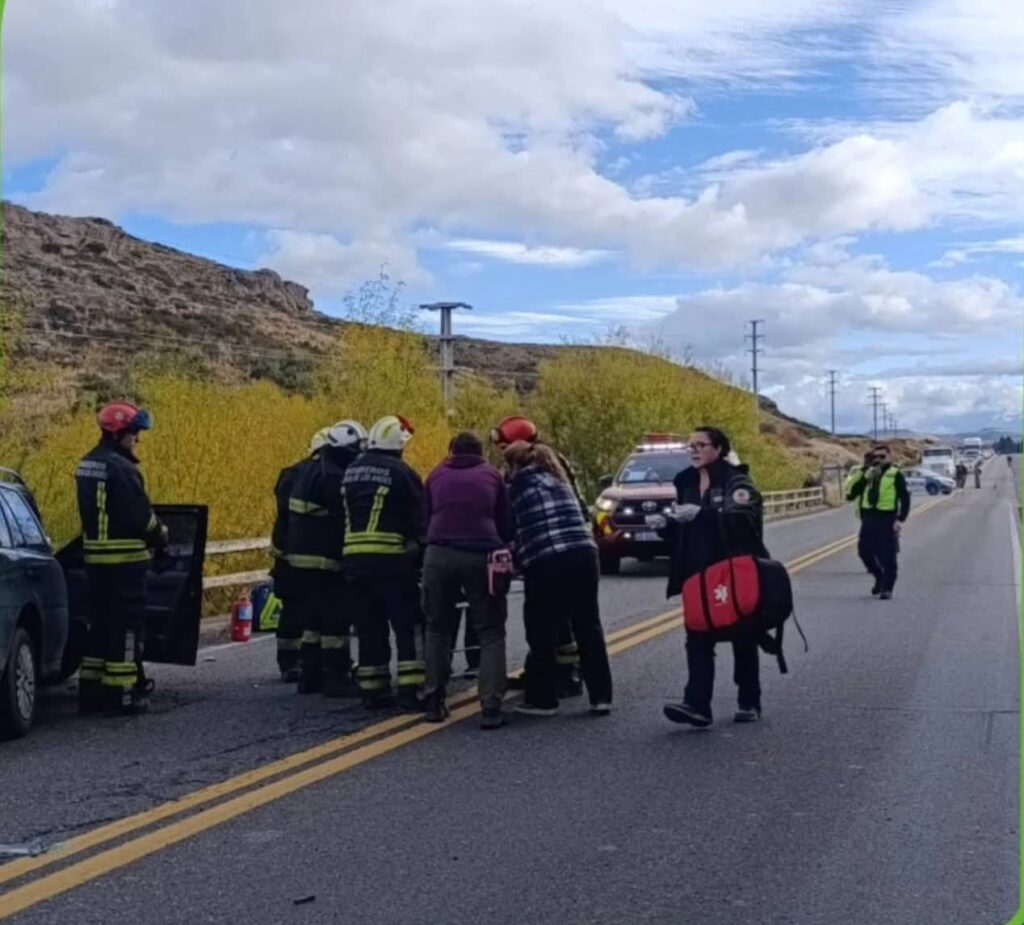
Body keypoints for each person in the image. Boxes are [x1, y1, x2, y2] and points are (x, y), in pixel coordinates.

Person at [662, 427, 768, 728]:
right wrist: (665, 525)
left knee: (742, 636)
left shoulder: (737, 482)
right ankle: (697, 705)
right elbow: (684, 527)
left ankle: (749, 700)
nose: (694, 450)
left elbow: (743, 524)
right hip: (696, 575)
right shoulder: (684, 481)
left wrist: (702, 514)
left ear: (718, 449)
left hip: (732, 572)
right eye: (690, 445)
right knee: (697, 637)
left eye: (701, 445)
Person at [503, 440, 612, 717]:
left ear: (515, 464)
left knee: (541, 628)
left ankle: (543, 699)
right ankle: (601, 697)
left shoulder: (516, 487)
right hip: (584, 554)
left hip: (546, 558)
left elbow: (507, 524)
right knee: (588, 625)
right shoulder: (559, 482)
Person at [75, 401, 167, 715]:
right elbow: (141, 518)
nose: (137, 440)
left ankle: (90, 694)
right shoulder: (123, 470)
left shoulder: (87, 464)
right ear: (118, 434)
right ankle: (121, 696)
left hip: (95, 564)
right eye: (134, 433)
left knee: (98, 627)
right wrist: (162, 535)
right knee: (126, 630)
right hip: (126, 566)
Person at [421, 432, 514, 729]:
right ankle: (490, 707)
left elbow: (422, 519)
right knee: (490, 631)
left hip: (438, 555)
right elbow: (506, 522)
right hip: (481, 554)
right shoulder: (491, 475)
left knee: (437, 628)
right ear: (481, 452)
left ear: (451, 451)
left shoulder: (435, 475)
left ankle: (434, 702)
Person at [490, 416, 583, 697]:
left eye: (504, 446)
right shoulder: (550, 460)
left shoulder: (528, 467)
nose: (500, 452)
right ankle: (556, 672)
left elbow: (511, 508)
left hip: (547, 548)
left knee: (549, 618)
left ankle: (560, 675)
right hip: (570, 545)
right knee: (560, 616)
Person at [342, 415, 426, 711]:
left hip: (353, 561)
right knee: (407, 625)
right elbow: (419, 518)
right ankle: (410, 689)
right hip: (391, 561)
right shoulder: (403, 473)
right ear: (398, 443)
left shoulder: (351, 471)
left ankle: (372, 690)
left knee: (369, 627)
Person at [287, 420, 366, 696]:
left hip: (299, 562)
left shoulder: (307, 470)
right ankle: (336, 678)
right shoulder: (334, 477)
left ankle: (309, 678)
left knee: (312, 623)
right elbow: (342, 521)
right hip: (325, 562)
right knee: (336, 622)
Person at [270, 428, 329, 682]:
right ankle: (304, 663)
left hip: (285, 554)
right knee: (310, 611)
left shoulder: (290, 474)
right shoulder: (319, 476)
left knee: (292, 610)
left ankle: (289, 663)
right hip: (307, 555)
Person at [845, 444, 911, 600]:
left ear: (889, 457)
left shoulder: (895, 474)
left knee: (888, 555)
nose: (879, 460)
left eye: (883, 456)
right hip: (869, 518)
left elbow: (905, 498)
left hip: (887, 518)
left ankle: (887, 588)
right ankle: (878, 576)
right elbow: (852, 493)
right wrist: (865, 476)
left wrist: (900, 519)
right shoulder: (868, 474)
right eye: (876, 457)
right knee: (864, 551)